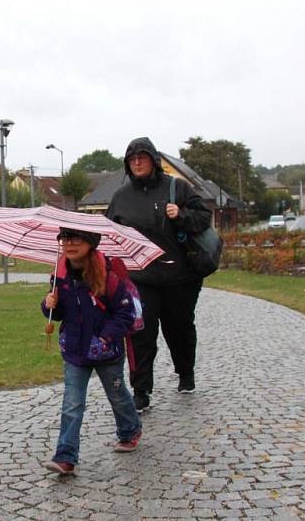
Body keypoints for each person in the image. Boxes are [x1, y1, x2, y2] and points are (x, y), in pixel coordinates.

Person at [106, 137, 212, 413]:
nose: (138, 162)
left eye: (143, 157)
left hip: (180, 275)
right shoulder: (120, 198)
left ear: (154, 160)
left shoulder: (177, 187)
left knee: (179, 328)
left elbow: (204, 218)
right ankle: (141, 391)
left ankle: (185, 373)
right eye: (132, 159)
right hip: (140, 278)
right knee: (141, 333)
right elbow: (108, 235)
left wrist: (181, 214)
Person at [41, 227, 142, 475]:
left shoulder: (108, 276)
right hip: (75, 351)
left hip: (107, 352)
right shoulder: (60, 274)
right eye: (65, 239)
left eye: (76, 239)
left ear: (90, 243)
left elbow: (125, 313)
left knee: (117, 396)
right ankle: (65, 457)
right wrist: (48, 305)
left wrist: (105, 338)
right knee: (72, 404)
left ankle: (130, 430)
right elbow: (59, 313)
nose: (69, 244)